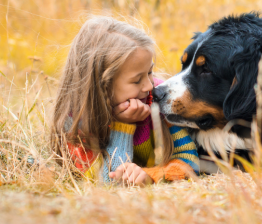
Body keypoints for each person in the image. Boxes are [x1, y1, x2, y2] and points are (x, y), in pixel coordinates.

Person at [50, 15, 199, 185]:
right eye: (137, 80)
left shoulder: (158, 102)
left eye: (149, 72)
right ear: (102, 85)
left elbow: (189, 160)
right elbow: (106, 182)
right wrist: (122, 127)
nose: (149, 86)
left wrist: (151, 176)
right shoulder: (76, 118)